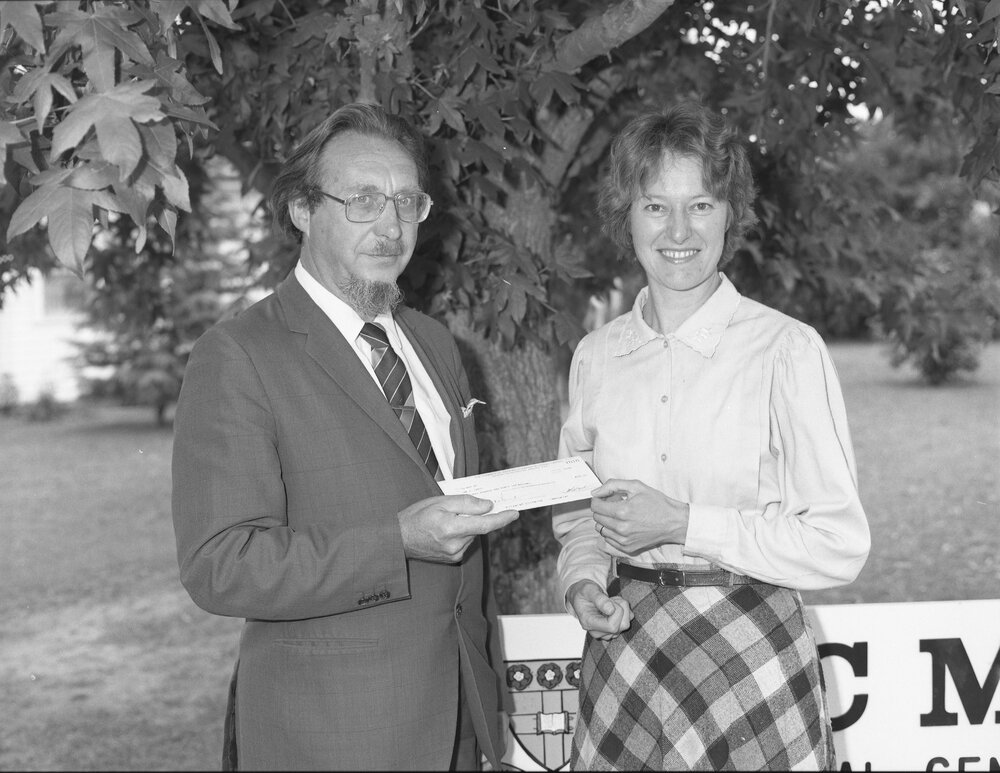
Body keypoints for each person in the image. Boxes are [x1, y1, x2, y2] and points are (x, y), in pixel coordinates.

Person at [171, 102, 518, 771]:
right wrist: (396, 542)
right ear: (303, 209)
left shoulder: (435, 344)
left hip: (460, 722)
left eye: (407, 201)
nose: (391, 226)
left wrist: (488, 700)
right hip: (331, 735)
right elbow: (221, 566)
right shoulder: (239, 354)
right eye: (362, 200)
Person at [553, 101, 871, 771]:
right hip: (626, 656)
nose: (678, 231)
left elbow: (837, 545)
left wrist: (683, 522)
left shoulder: (786, 350)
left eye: (700, 205)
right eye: (655, 206)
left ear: (731, 213)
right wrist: (583, 583)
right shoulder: (596, 356)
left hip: (750, 649)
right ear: (626, 216)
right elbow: (580, 512)